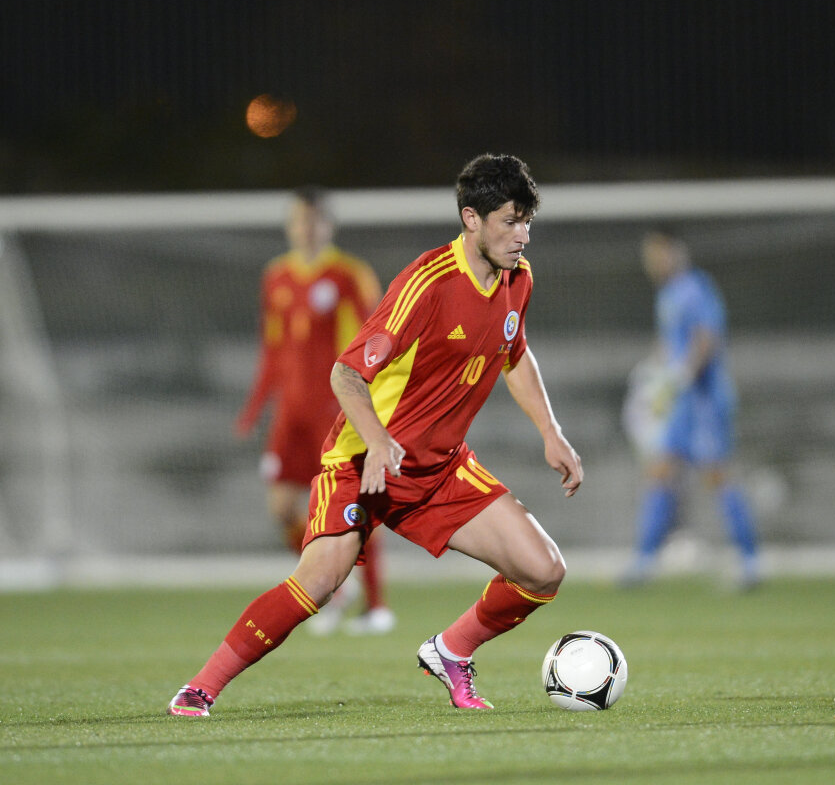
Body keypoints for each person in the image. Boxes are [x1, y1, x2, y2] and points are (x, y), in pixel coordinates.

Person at [170, 154, 583, 716]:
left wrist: (551, 432)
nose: (522, 235)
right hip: (361, 459)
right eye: (510, 222)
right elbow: (346, 373)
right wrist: (379, 440)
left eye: (527, 221)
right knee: (318, 582)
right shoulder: (427, 284)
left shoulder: (519, 278)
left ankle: (451, 650)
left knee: (543, 570)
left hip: (439, 469)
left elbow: (516, 352)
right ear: (471, 219)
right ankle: (200, 687)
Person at [234, 187, 394, 636]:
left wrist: (376, 402)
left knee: (356, 505)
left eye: (314, 220)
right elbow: (272, 348)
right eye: (299, 220)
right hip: (291, 413)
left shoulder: (349, 275)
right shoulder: (276, 276)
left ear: (328, 225)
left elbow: (377, 339)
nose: (305, 229)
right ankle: (335, 588)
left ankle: (376, 606)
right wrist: (254, 409)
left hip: (335, 409)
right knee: (282, 507)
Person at [621, 229, 759, 588]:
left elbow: (706, 338)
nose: (652, 263)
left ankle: (750, 562)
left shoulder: (695, 288)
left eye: (658, 254)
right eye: (649, 257)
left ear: (676, 252)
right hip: (682, 405)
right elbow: (671, 342)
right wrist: (654, 371)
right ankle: (644, 562)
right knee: (660, 472)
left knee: (717, 475)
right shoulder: (667, 294)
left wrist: (684, 373)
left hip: (705, 401)